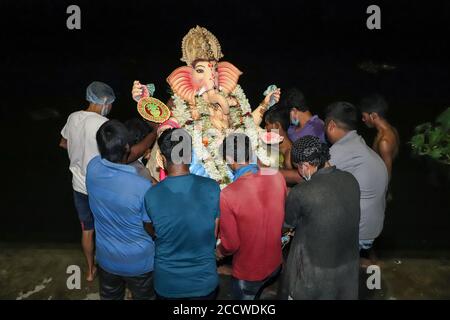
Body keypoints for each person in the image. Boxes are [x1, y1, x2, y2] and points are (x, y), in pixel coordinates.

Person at [279, 136, 360, 300]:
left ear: (306, 166)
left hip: (314, 275)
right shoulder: (351, 179)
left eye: (298, 169)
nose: (299, 174)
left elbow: (286, 225)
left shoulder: (302, 191)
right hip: (347, 268)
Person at [144, 128, 220, 300]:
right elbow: (213, 234)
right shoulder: (212, 188)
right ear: (189, 156)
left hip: (167, 283)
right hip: (204, 282)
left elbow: (150, 229)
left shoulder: (152, 194)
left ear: (163, 159)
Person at [86, 120, 155, 300]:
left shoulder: (92, 168)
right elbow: (150, 227)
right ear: (126, 146)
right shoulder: (142, 186)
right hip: (139, 263)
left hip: (106, 259)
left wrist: (153, 133)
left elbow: (132, 153)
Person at [217, 133, 286, 300]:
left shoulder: (228, 194)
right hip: (276, 262)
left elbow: (231, 244)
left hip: (249, 273)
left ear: (228, 158)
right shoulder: (277, 176)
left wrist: (218, 252)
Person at [59, 81, 115, 281]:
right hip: (100, 187)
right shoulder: (103, 124)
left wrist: (79, 152)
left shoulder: (73, 117)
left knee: (87, 230)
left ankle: (90, 271)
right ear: (105, 101)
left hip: (78, 186)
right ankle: (112, 270)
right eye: (110, 104)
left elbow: (63, 143)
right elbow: (113, 155)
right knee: (108, 229)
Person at [324, 102, 388, 254]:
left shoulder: (343, 149)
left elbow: (311, 177)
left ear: (331, 125)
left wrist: (272, 172)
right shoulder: (358, 144)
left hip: (359, 233)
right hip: (373, 228)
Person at [360, 94, 400, 179]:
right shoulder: (392, 129)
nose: (363, 120)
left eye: (364, 116)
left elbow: (387, 175)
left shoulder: (384, 142)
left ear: (373, 116)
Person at [264, 107, 302, 185]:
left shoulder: (291, 154)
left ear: (277, 126)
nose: (265, 128)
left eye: (267, 124)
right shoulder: (273, 147)